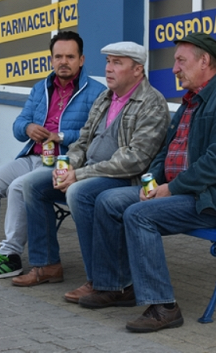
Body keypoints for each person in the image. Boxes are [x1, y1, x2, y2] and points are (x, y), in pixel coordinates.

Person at [93, 32, 216, 333]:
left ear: (204, 61)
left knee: (139, 215)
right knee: (109, 200)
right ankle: (113, 286)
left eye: (181, 61)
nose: (174, 69)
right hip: (186, 194)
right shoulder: (189, 103)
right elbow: (167, 153)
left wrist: (171, 188)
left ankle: (163, 306)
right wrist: (151, 183)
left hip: (215, 200)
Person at [12, 42, 170, 292]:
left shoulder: (152, 103)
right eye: (108, 62)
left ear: (138, 70)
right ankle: (47, 264)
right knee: (32, 184)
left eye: (117, 63)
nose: (108, 69)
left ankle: (98, 279)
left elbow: (135, 159)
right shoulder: (106, 98)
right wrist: (67, 167)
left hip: (127, 179)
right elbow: (83, 140)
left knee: (79, 192)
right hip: (92, 172)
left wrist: (79, 175)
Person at [0, 31, 106, 279]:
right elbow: (19, 125)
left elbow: (95, 136)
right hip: (32, 156)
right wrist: (28, 128)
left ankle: (11, 255)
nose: (64, 62)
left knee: (19, 187)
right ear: (51, 59)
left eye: (70, 57)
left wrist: (61, 136)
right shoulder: (41, 88)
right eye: (58, 56)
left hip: (64, 163)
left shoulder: (97, 92)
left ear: (81, 60)